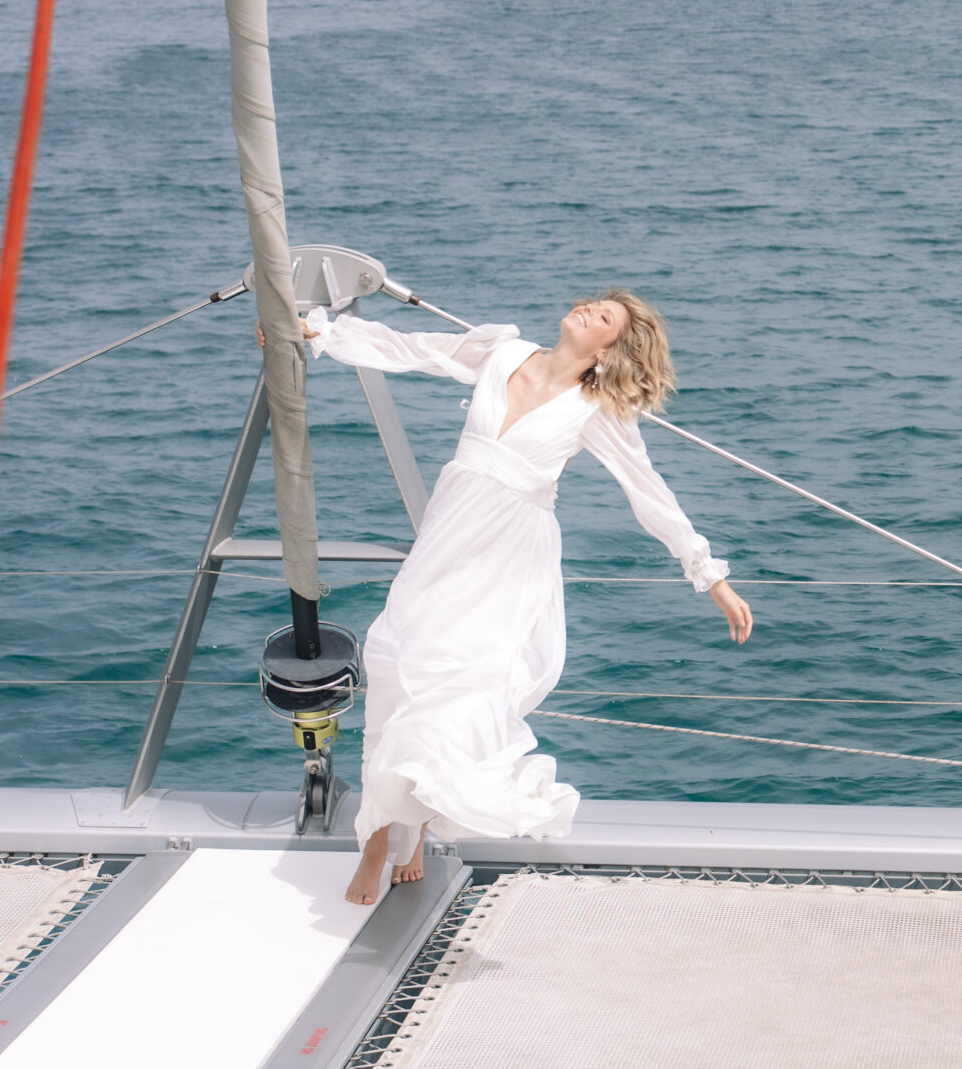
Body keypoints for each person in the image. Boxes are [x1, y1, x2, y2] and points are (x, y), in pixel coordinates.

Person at [285, 292, 753, 905]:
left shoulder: (595, 408)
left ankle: (400, 834)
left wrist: (707, 573)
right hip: (449, 536)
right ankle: (385, 832)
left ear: (609, 347)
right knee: (399, 663)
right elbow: (411, 348)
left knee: (460, 679)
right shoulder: (501, 351)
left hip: (510, 555)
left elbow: (649, 490)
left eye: (604, 317)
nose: (588, 309)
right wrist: (315, 334)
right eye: (594, 302)